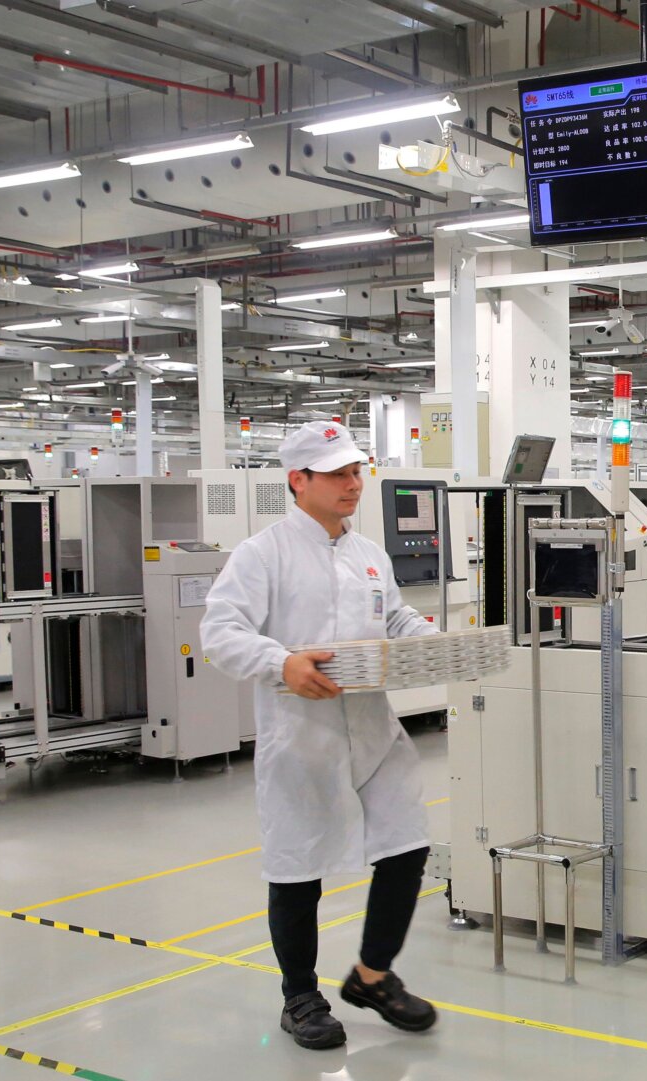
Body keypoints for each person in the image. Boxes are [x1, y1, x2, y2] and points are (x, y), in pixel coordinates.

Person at [203, 421, 441, 1050]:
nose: (352, 483)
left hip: (371, 725)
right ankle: (300, 996)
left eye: (356, 471)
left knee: (406, 844)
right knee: (297, 863)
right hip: (300, 729)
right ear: (297, 480)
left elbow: (393, 614)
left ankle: (371, 975)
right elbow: (221, 631)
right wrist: (281, 662)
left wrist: (434, 643)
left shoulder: (368, 554)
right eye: (336, 473)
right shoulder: (262, 554)